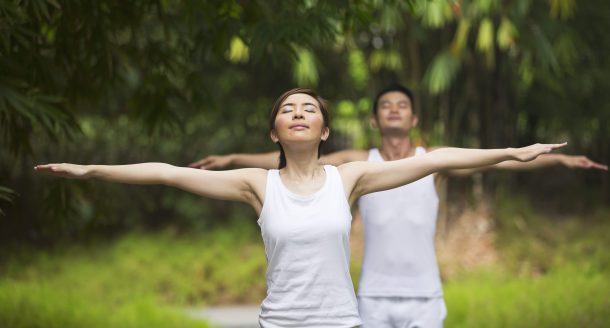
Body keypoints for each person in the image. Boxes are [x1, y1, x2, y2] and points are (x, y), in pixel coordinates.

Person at [36, 88, 568, 328]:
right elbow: (169, 173)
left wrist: (511, 151)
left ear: (324, 130)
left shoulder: (350, 178)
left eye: (308, 108)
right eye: (287, 109)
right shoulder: (256, 184)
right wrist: (89, 170)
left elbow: (441, 159)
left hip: (342, 323)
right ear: (275, 131)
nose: (297, 113)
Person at [189, 85, 607, 328]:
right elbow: (287, 166)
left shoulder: (426, 159)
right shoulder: (355, 165)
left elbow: (484, 160)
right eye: (385, 105)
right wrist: (231, 160)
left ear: (414, 117)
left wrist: (538, 155)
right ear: (374, 120)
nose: (393, 109)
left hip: (424, 296)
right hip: (369, 297)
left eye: (401, 105)